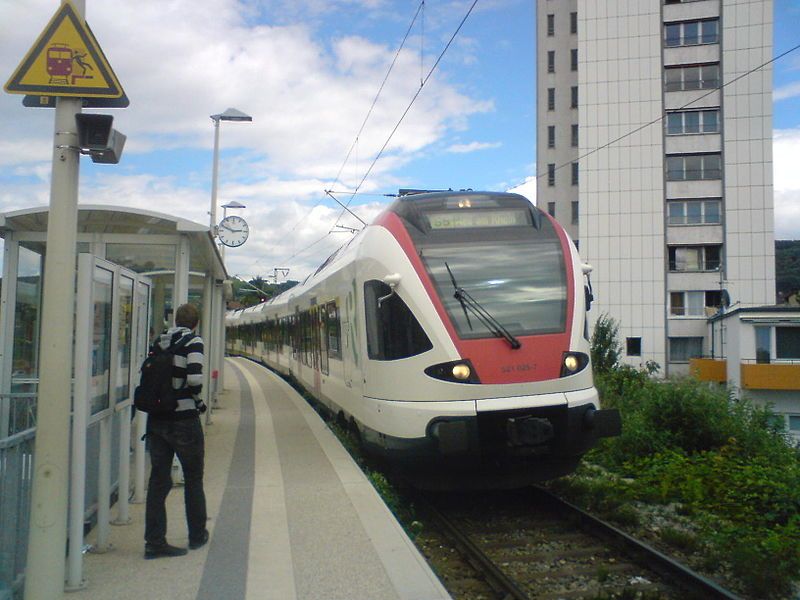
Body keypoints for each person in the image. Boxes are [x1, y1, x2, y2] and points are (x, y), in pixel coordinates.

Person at [144, 303, 209, 559]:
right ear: (195, 323)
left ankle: (154, 542)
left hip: (158, 419)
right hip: (184, 421)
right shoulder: (193, 341)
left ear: (175, 320)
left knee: (158, 481)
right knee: (193, 478)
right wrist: (199, 402)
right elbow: (194, 379)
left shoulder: (159, 340)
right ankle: (196, 535)